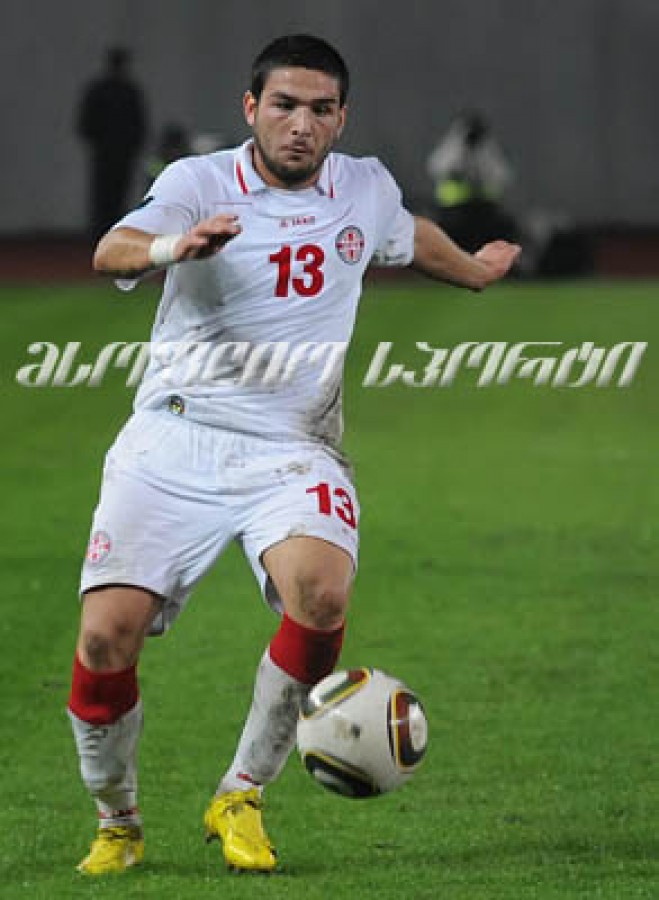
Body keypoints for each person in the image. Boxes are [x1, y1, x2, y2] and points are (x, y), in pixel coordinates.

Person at [68, 34, 520, 877]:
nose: (300, 124)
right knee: (104, 641)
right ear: (252, 109)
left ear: (340, 118)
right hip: (173, 437)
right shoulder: (198, 182)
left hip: (292, 445)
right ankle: (117, 820)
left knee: (320, 592)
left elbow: (405, 233)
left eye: (319, 109)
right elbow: (111, 250)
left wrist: (470, 269)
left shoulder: (363, 185)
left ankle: (240, 793)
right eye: (283, 105)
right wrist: (174, 248)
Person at [76, 47, 148, 242]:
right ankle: (114, 232)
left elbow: (85, 122)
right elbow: (139, 124)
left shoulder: (99, 90)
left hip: (104, 152)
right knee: (118, 194)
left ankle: (99, 234)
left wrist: (97, 141)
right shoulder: (129, 91)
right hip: (121, 152)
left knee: (102, 195)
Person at [426, 110, 518, 253]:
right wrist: (461, 149)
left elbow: (503, 176)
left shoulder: (489, 151)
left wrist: (482, 163)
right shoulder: (451, 148)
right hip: (454, 210)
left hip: (485, 209)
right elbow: (439, 168)